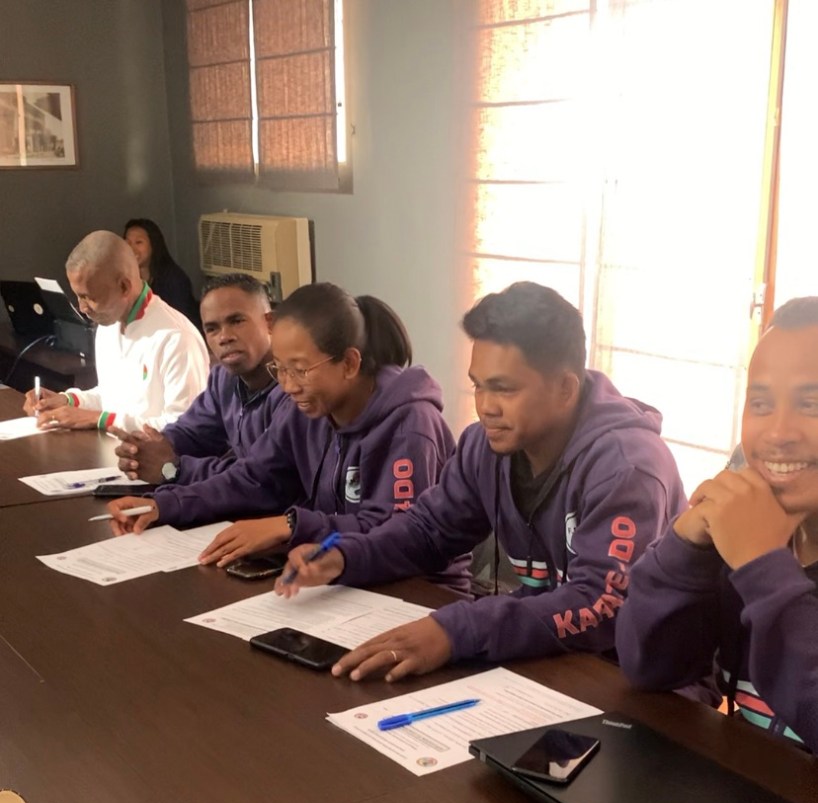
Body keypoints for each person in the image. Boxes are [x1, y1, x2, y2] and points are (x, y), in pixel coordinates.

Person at [275, 281, 686, 683]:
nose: (486, 406)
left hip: (637, 682)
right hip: (546, 659)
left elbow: (600, 605)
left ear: (565, 389)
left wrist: (458, 630)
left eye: (504, 389)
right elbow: (427, 531)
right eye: (478, 385)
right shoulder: (484, 446)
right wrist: (346, 557)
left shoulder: (627, 467)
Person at [106, 282, 467, 588]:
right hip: (334, 572)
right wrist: (166, 505)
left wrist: (291, 525)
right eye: (279, 369)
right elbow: (252, 478)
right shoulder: (307, 410)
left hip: (420, 588)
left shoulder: (410, 424)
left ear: (349, 363)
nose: (289, 386)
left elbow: (395, 531)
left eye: (300, 370)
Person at [616, 297, 818, 753]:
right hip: (747, 786)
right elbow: (650, 668)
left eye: (811, 405)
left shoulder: (756, 551)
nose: (777, 433)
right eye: (760, 404)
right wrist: (685, 552)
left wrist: (762, 564)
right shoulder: (748, 523)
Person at [23, 230, 209, 433]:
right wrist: (68, 400)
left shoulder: (176, 338)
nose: (82, 308)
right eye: (78, 296)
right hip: (112, 448)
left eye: (89, 297)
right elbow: (113, 398)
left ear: (124, 287)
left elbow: (186, 428)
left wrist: (98, 419)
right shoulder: (108, 325)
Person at [112, 273, 284, 486]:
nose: (224, 337)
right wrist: (146, 449)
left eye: (237, 321)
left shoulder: (295, 390)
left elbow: (259, 478)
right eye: (212, 328)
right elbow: (192, 433)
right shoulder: (223, 379)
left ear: (270, 323)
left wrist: (171, 469)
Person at [124, 218, 200, 328]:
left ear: (153, 244)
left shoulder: (174, 280)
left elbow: (180, 321)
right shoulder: (124, 279)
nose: (131, 248)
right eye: (128, 242)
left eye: (138, 242)